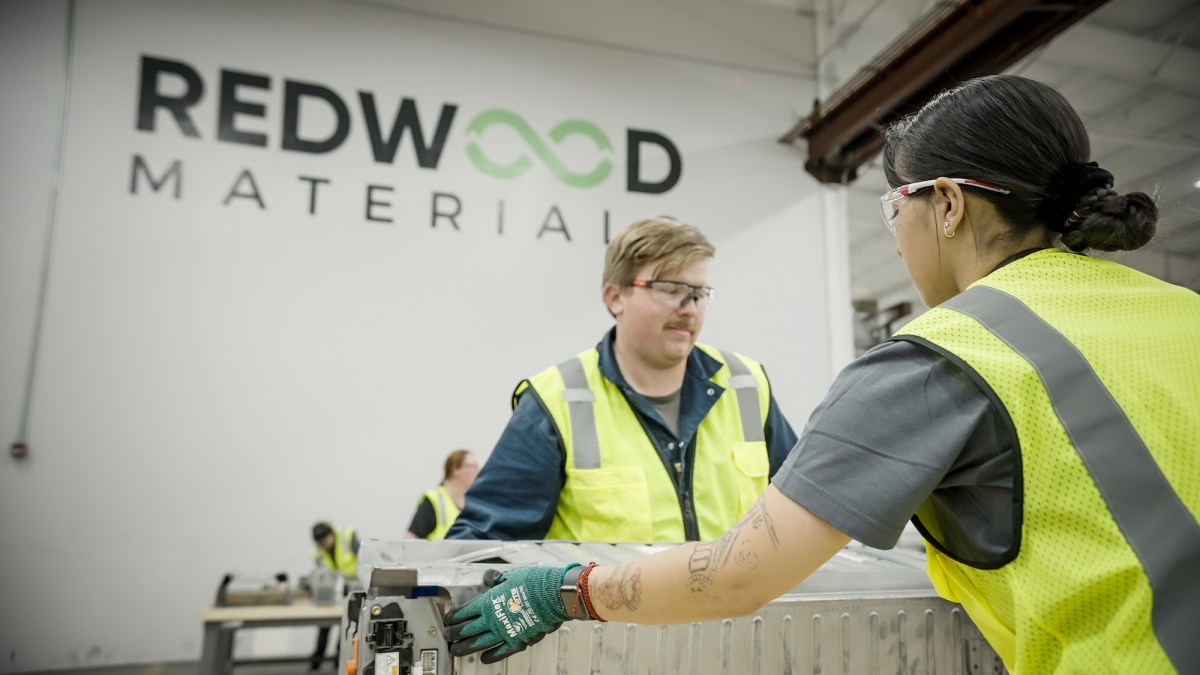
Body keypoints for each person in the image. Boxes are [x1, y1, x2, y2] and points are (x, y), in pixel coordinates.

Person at [441, 75, 1200, 673]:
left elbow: (742, 571)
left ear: (944, 205)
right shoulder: (1182, 314)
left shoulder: (937, 358)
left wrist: (569, 589)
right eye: (670, 290)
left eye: (891, 205)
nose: (896, 238)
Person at [445, 216, 798, 542]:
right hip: (607, 613)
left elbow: (800, 510)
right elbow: (483, 546)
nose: (689, 308)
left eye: (699, 293)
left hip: (736, 611)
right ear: (616, 298)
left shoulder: (747, 385)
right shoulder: (557, 400)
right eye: (670, 288)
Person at [308, 521, 360, 670]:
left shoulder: (347, 537)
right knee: (324, 627)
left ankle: (338, 662)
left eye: (325, 541)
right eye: (320, 543)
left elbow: (362, 559)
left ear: (331, 535)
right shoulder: (317, 551)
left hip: (351, 590)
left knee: (344, 628)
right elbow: (320, 572)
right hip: (331, 594)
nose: (323, 545)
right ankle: (316, 662)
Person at [405, 449, 479, 539]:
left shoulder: (474, 501)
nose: (477, 471)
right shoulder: (434, 499)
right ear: (455, 469)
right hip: (438, 553)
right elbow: (410, 538)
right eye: (472, 466)